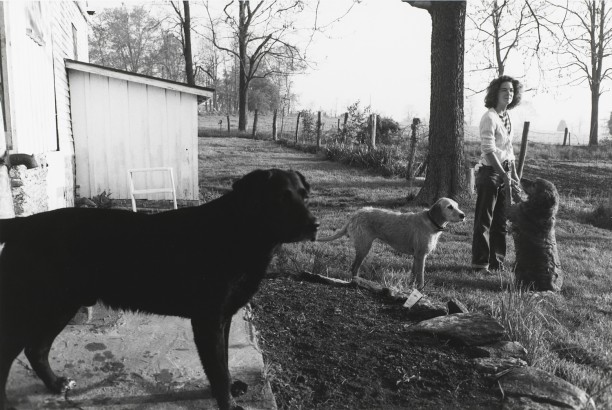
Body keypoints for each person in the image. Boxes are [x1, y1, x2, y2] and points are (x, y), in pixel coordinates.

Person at [472, 75, 522, 275]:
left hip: (505, 174)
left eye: (511, 90)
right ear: (495, 93)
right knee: (484, 220)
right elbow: (489, 151)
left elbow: (508, 150)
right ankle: (480, 264)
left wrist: (514, 175)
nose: (508, 93)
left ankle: (497, 262)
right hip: (490, 173)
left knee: (500, 222)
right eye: (504, 90)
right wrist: (503, 175)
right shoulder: (489, 117)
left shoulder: (506, 117)